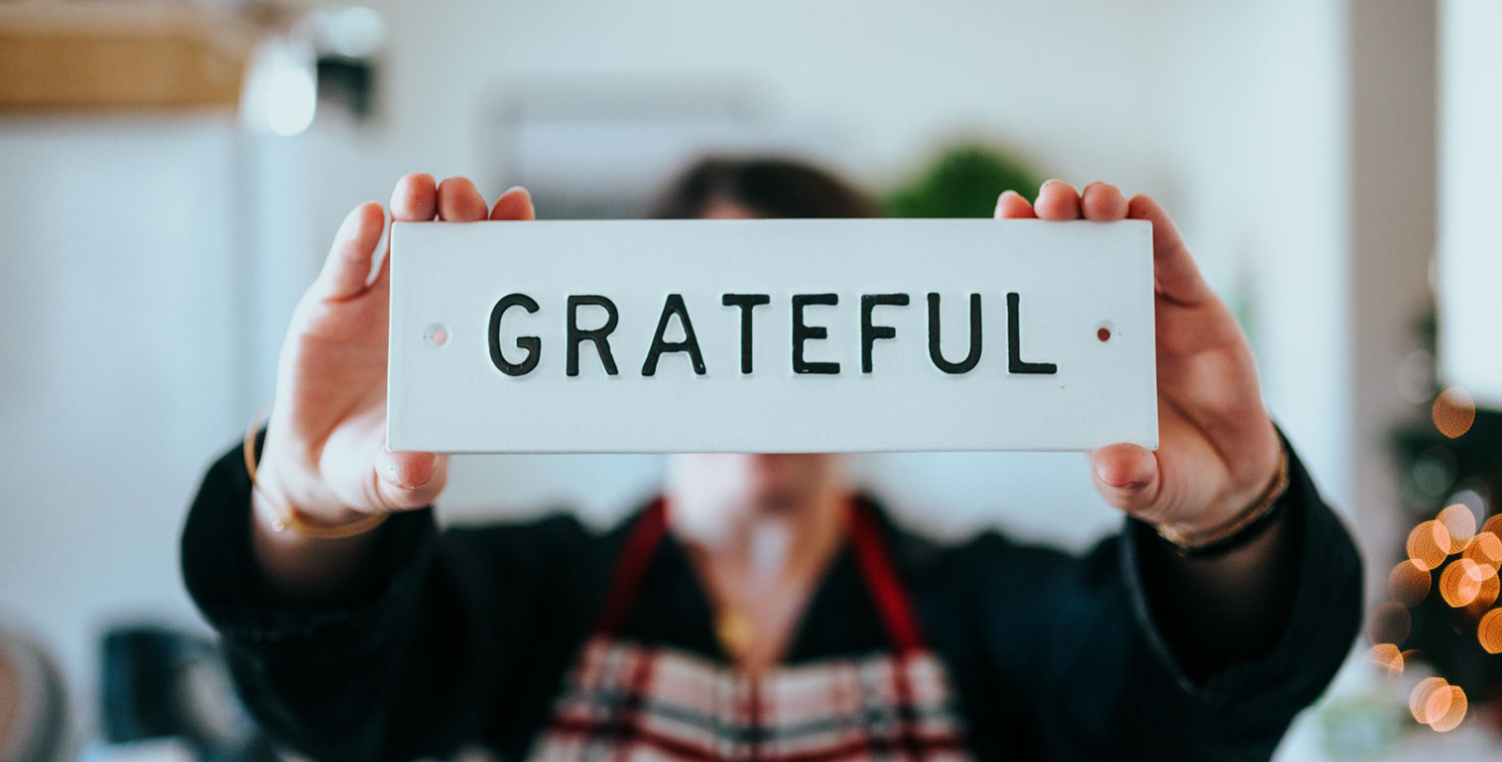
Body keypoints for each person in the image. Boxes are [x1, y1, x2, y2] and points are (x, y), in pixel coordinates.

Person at [181, 157, 1362, 762]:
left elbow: (1185, 721)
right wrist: (307, 508)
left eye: (806, 314)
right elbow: (332, 701)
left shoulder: (990, 608)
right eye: (720, 308)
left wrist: (1233, 521)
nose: (762, 365)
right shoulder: (526, 594)